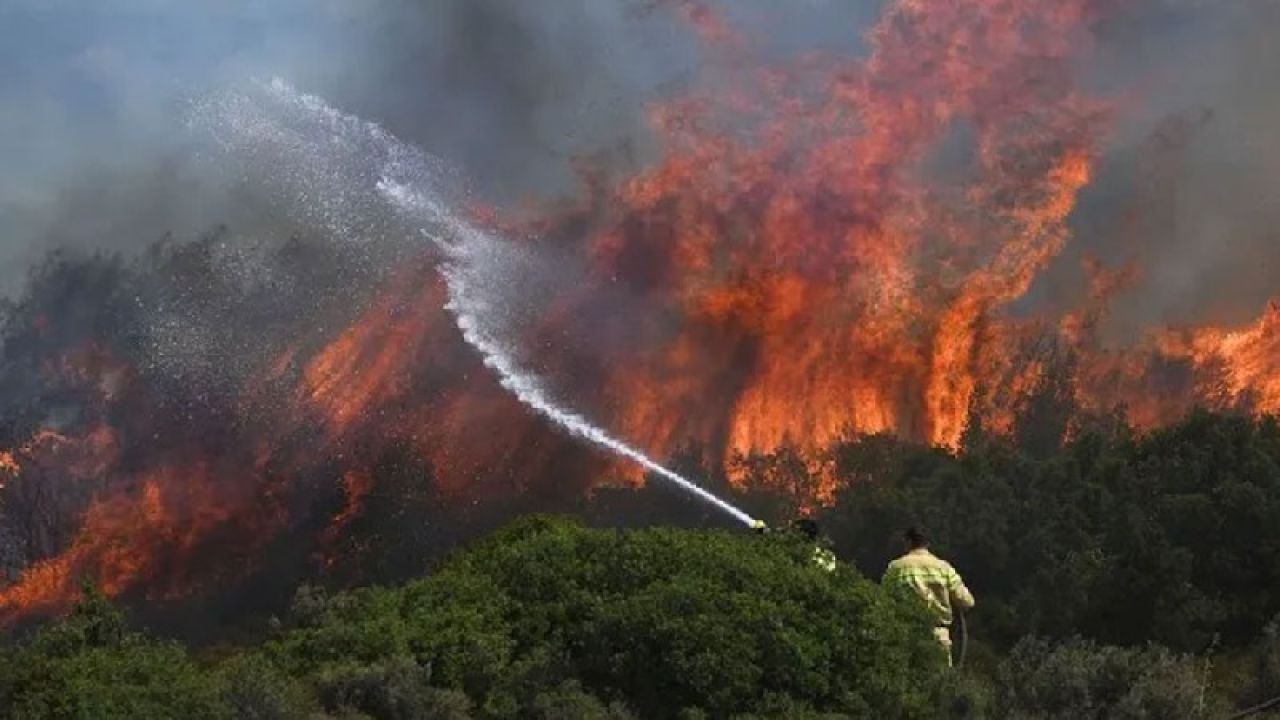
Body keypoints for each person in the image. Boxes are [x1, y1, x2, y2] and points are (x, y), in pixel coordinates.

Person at [881, 527, 974, 665]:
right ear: (928, 543)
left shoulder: (896, 568)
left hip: (906, 636)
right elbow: (967, 602)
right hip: (938, 636)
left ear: (907, 542)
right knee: (939, 683)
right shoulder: (943, 568)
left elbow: (882, 599)